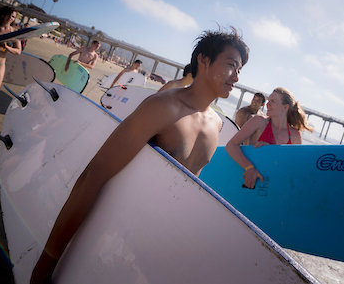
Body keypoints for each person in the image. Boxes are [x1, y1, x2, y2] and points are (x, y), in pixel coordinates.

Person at [30, 27, 249, 284]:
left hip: (147, 245)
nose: (236, 76)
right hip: (110, 229)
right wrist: (44, 266)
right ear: (203, 60)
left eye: (240, 70)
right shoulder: (164, 107)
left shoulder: (217, 126)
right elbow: (93, 175)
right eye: (232, 65)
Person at [225, 87, 313, 189]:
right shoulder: (259, 122)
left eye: (273, 101)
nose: (267, 104)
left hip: (274, 186)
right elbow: (231, 145)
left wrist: (270, 152)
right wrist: (249, 168)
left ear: (285, 107)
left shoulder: (294, 135)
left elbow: (294, 168)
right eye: (268, 100)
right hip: (248, 183)